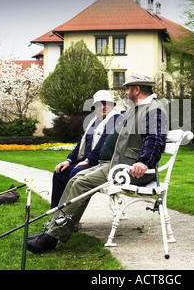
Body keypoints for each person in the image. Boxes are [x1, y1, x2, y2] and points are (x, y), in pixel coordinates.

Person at [27, 72, 168, 253]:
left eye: (127, 89)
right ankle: (53, 228)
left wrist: (144, 162)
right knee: (74, 179)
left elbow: (154, 139)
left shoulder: (153, 110)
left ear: (137, 89)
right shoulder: (136, 109)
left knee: (82, 183)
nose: (125, 92)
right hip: (117, 165)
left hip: (131, 171)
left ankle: (52, 237)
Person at [50, 90, 122, 208]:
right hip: (88, 161)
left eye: (106, 103)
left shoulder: (116, 119)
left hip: (101, 164)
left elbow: (103, 145)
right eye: (99, 104)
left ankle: (69, 217)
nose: (103, 107)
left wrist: (87, 160)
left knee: (76, 173)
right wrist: (69, 160)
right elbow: (82, 143)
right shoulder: (94, 121)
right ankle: (55, 212)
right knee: (60, 172)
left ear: (112, 105)